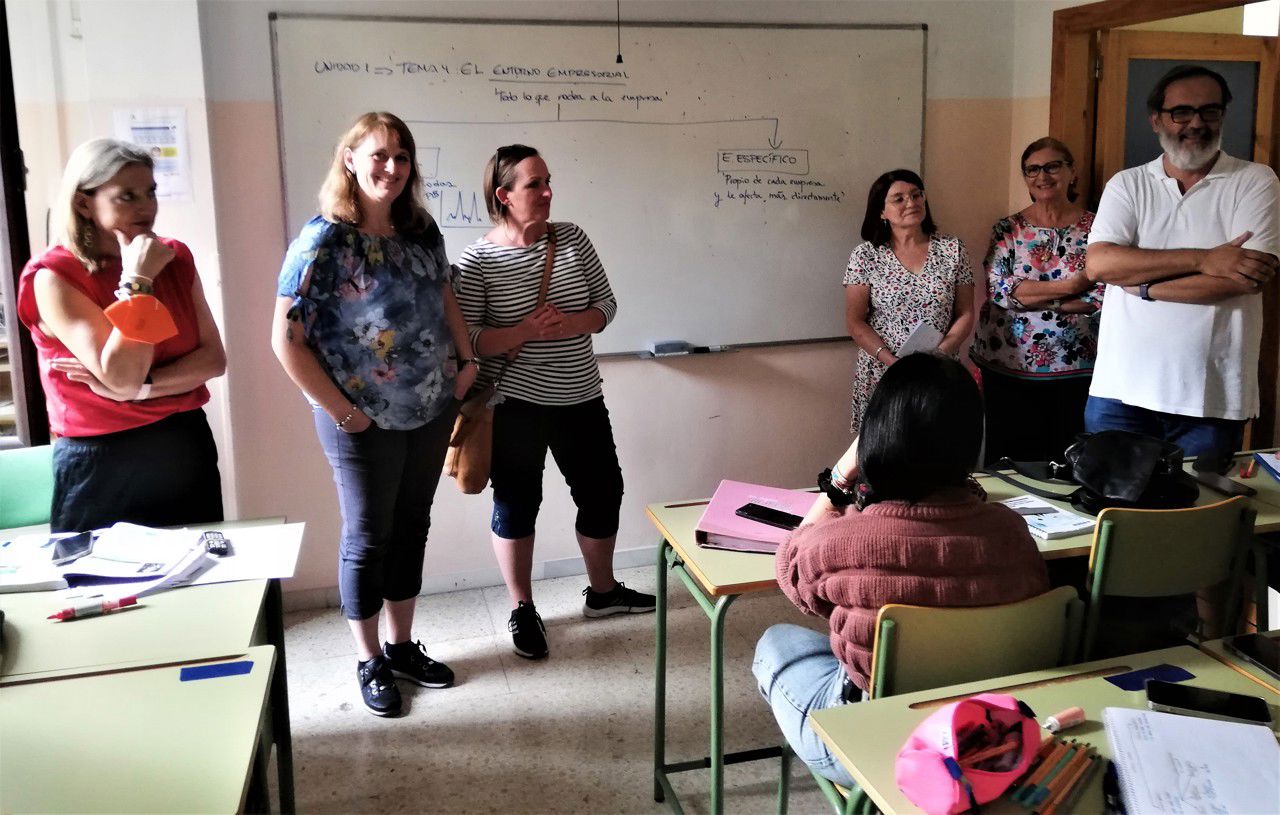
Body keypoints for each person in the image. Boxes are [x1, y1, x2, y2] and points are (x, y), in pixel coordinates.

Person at [752, 353, 1049, 785]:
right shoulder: (1011, 529)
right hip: (986, 727)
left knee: (775, 641)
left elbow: (792, 572)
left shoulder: (842, 540)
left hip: (879, 736)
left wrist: (839, 478)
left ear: (877, 433)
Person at [272, 112, 476, 717]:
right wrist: (343, 414)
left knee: (411, 527)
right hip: (358, 421)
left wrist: (466, 364)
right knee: (368, 538)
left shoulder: (421, 231)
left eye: (402, 157)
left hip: (431, 407)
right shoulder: (324, 239)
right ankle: (369, 660)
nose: (391, 167)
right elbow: (285, 341)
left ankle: (402, 645)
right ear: (351, 160)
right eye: (379, 155)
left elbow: (446, 296)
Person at [453, 144, 654, 661]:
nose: (546, 192)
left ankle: (603, 593)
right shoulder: (477, 260)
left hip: (581, 394)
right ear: (504, 195)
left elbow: (605, 305)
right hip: (514, 402)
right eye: (533, 184)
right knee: (518, 503)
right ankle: (523, 607)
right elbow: (470, 340)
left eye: (548, 182)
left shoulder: (571, 238)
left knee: (603, 489)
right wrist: (524, 331)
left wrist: (574, 323)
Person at [17, 139, 225, 533]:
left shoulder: (174, 257)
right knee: (99, 590)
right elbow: (123, 373)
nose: (146, 206)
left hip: (182, 444)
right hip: (99, 458)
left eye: (150, 192)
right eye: (126, 196)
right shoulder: (54, 276)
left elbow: (213, 360)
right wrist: (138, 281)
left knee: (199, 580)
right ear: (83, 203)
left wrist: (142, 390)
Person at [1085, 64, 1279, 461]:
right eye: (1182, 112)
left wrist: (1143, 285)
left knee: (1194, 518)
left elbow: (1244, 279)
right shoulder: (1127, 184)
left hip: (1209, 400)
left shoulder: (1257, 181)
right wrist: (1206, 258)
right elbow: (1101, 265)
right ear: (1156, 120)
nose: (1196, 123)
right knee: (1113, 512)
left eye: (1210, 111)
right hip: (1119, 393)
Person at [971, 138, 1103, 463]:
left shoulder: (1098, 228)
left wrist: (1029, 293)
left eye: (1052, 166)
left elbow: (1099, 294)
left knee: (1070, 464)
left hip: (1077, 369)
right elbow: (1000, 291)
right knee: (1011, 464)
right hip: (1009, 369)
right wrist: (1072, 285)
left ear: (1072, 172)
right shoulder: (1008, 229)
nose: (1042, 176)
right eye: (1033, 169)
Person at [843, 169, 975, 434]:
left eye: (916, 195)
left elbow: (965, 313)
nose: (911, 203)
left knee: (936, 447)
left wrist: (939, 354)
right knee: (886, 451)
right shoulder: (866, 255)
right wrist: (892, 361)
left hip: (938, 369)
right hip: (885, 372)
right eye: (899, 199)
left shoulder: (952, 249)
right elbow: (855, 321)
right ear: (881, 212)